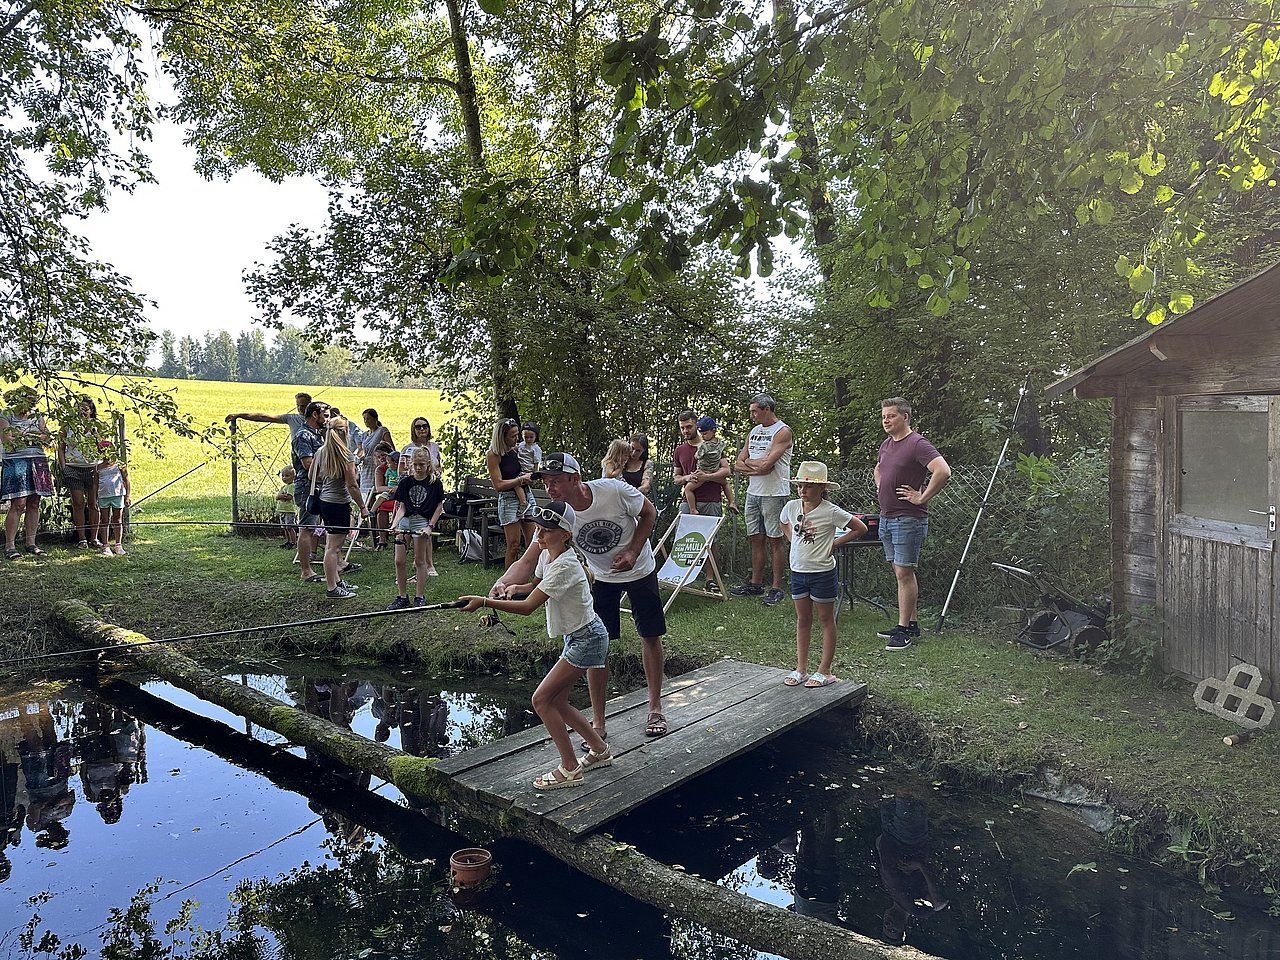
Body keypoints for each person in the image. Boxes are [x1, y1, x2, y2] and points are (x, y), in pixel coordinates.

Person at [491, 453, 668, 740]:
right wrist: (501, 583)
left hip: (640, 570)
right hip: (601, 578)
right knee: (600, 648)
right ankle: (599, 722)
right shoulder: (558, 515)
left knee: (650, 635)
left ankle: (655, 707)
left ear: (575, 479)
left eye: (556, 481)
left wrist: (634, 550)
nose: (550, 489)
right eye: (546, 483)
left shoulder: (613, 490)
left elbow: (649, 512)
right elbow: (527, 561)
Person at [460, 501, 611, 789]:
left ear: (565, 534)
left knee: (541, 700)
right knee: (558, 701)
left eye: (545, 532)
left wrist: (483, 602)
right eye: (538, 530)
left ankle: (570, 769)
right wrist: (514, 588)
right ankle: (600, 750)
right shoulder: (548, 555)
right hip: (578, 636)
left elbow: (529, 607)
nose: (538, 537)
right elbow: (533, 588)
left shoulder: (566, 565)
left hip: (587, 638)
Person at [779, 462, 867, 688]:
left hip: (822, 572)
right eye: (799, 486)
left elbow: (860, 528)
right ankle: (801, 668)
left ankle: (825, 670)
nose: (802, 490)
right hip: (798, 571)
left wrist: (835, 544)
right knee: (802, 619)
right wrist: (792, 541)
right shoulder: (791, 507)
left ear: (821, 488)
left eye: (808, 487)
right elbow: (783, 523)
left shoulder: (830, 511)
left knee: (826, 619)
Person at [875, 398, 951, 651]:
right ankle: (912, 623)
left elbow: (942, 470)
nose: (886, 420)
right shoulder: (887, 444)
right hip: (887, 516)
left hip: (908, 518)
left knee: (904, 573)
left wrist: (922, 496)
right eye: (884, 416)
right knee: (901, 572)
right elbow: (879, 469)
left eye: (891, 416)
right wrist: (881, 485)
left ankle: (903, 630)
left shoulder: (917, 443)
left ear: (905, 417)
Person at [732, 393, 794, 606]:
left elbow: (769, 466)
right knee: (755, 537)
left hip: (774, 493)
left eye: (754, 411)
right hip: (753, 492)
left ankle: (776, 587)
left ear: (767, 409)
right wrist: (757, 467)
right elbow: (738, 463)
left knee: (775, 540)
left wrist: (754, 465)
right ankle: (755, 583)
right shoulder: (754, 431)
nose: (752, 415)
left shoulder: (782, 431)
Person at [673, 409, 731, 593]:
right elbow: (676, 478)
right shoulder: (680, 450)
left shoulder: (713, 446)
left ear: (696, 425)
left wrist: (707, 476)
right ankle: (679, 575)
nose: (685, 431)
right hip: (688, 499)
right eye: (682, 428)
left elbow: (726, 471)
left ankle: (710, 579)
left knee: (710, 541)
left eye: (689, 426)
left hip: (711, 499)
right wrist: (687, 478)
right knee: (684, 539)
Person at [314, 417, 369, 600]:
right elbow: (352, 485)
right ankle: (332, 588)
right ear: (345, 432)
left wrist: (330, 477)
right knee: (334, 549)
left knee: (331, 545)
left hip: (324, 502)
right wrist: (362, 507)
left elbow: (311, 474)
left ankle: (336, 581)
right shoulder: (346, 455)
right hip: (338, 504)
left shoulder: (321, 451)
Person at [387, 447, 445, 609]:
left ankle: (419, 596)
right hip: (405, 522)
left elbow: (439, 507)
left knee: (420, 561)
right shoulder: (405, 482)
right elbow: (402, 508)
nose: (418, 468)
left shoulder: (435, 484)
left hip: (421, 523)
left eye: (421, 464)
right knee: (399, 560)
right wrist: (394, 524)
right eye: (415, 464)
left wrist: (429, 526)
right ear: (411, 464)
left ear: (428, 464)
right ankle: (402, 596)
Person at [0, 385, 53, 560]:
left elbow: (47, 437)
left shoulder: (38, 416)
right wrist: (34, 437)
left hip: (37, 460)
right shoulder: (6, 415)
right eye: (27, 400)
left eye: (32, 401)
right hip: (16, 461)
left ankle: (31, 543)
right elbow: (8, 440)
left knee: (34, 502)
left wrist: (22, 437)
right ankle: (10, 545)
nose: (30, 404)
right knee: (18, 503)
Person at [57, 396, 104, 548]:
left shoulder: (97, 426)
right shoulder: (67, 426)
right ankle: (82, 539)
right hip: (72, 468)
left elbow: (103, 447)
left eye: (86, 409)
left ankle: (94, 538)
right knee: (78, 503)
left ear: (91, 411)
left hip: (92, 469)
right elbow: (61, 448)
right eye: (80, 408)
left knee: (93, 503)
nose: (82, 412)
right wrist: (64, 467)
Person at [486, 418, 533, 570]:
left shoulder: (518, 449)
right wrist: (520, 480)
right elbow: (498, 485)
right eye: (513, 436)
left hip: (526, 495)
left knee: (533, 542)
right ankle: (508, 582)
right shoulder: (494, 455)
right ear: (502, 437)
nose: (517, 438)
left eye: (517, 434)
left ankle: (533, 580)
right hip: (508, 500)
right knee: (513, 545)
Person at [291, 401, 329, 585]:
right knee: (306, 528)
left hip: (322, 486)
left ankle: (337, 564)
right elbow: (308, 465)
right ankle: (306, 570)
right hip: (308, 486)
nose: (327, 419)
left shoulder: (318, 435)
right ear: (315, 414)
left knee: (329, 524)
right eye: (325, 415)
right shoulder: (303, 435)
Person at [682, 416, 737, 514]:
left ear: (714, 431)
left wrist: (706, 476)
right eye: (701, 434)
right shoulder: (720, 445)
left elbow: (697, 456)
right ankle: (732, 502)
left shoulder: (704, 446)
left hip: (702, 472)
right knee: (725, 483)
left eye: (705, 434)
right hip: (715, 471)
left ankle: (693, 509)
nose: (703, 437)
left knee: (688, 489)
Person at [94, 442, 131, 556]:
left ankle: (118, 545)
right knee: (104, 520)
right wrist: (95, 498)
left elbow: (126, 480)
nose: (106, 454)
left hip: (117, 495)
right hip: (103, 496)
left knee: (117, 519)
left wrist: (128, 496)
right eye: (103, 451)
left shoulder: (119, 465)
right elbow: (95, 484)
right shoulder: (98, 467)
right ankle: (105, 545)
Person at [224, 392, 315, 436]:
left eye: (303, 406)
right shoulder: (291, 418)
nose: (300, 409)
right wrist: (239, 415)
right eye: (297, 405)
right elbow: (262, 417)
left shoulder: (320, 419)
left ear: (310, 405)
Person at [372, 445, 399, 549]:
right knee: (382, 507)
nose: (381, 459)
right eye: (378, 457)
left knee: (401, 506)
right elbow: (379, 488)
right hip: (390, 494)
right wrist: (392, 489)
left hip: (399, 496)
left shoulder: (400, 466)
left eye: (383, 455)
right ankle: (382, 540)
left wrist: (397, 488)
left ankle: (399, 536)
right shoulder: (380, 469)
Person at [514, 422, 542, 516]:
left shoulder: (535, 449)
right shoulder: (521, 445)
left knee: (516, 483)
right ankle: (525, 502)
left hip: (528, 471)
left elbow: (537, 463)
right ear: (522, 435)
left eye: (531, 437)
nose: (528, 439)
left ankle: (523, 503)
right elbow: (515, 449)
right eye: (526, 437)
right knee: (518, 483)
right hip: (520, 469)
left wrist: (535, 475)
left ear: (535, 437)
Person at [276, 467, 299, 549]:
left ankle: (294, 542)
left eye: (287, 476)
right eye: (283, 476)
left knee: (289, 527)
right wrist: (281, 496)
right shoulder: (283, 487)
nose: (284, 478)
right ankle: (288, 541)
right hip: (282, 510)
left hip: (289, 510)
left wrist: (282, 496)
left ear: (293, 477)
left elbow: (289, 497)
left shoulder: (292, 486)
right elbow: (277, 497)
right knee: (285, 527)